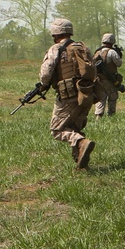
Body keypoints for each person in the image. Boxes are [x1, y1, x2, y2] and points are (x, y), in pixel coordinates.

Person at [38, 18, 98, 169]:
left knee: (57, 130)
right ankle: (81, 163)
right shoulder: (82, 48)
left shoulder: (56, 49)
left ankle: (81, 142)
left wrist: (43, 85)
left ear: (55, 33)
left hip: (67, 95)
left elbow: (46, 73)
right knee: (74, 128)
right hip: (85, 95)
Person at [92, 33, 124, 119]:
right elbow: (119, 63)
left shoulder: (97, 52)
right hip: (110, 79)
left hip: (98, 79)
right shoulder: (112, 52)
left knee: (101, 98)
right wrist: (120, 55)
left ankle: (98, 117)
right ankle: (111, 116)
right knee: (113, 97)